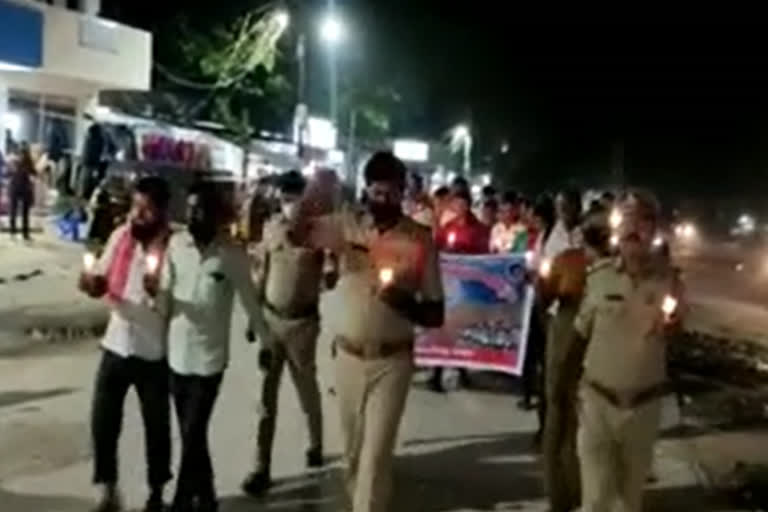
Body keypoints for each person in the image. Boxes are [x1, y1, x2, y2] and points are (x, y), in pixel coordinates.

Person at [301, 151, 445, 512]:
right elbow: (297, 233)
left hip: (392, 363)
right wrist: (312, 192)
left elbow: (436, 313)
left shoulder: (419, 240)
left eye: (391, 194)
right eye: (376, 193)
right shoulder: (346, 226)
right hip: (347, 358)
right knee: (352, 455)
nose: (383, 201)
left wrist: (403, 302)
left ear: (403, 193)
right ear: (366, 191)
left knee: (375, 458)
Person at [148, 183, 263, 512]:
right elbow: (165, 299)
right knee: (191, 436)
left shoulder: (231, 254)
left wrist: (265, 340)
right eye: (191, 208)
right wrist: (155, 293)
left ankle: (183, 501)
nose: (193, 215)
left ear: (215, 216)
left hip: (210, 360)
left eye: (201, 210)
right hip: (177, 355)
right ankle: (208, 496)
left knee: (193, 430)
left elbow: (250, 301)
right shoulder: (175, 245)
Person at [570, 190, 684, 512]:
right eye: (627, 220)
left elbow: (677, 333)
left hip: (643, 408)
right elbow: (579, 335)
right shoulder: (598, 279)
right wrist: (564, 391)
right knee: (595, 500)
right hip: (596, 404)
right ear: (616, 230)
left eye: (643, 221)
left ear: (654, 230)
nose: (634, 229)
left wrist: (672, 327)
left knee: (629, 501)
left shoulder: (669, 282)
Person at [77, 176, 173, 512]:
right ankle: (108, 490)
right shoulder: (120, 237)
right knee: (103, 422)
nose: (138, 215)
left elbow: (174, 309)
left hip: (152, 351)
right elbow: (101, 277)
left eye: (146, 210)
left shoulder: (173, 249)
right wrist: (91, 282)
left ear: (161, 212)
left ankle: (157, 492)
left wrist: (156, 293)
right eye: (135, 206)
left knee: (156, 428)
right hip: (116, 343)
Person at [241, 171, 325, 496]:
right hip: (272, 322)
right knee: (265, 399)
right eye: (286, 199)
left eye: (295, 198)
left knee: (307, 391)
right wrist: (253, 320)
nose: (289, 205)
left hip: (303, 326)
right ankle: (260, 466)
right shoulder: (271, 228)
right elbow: (262, 274)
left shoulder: (318, 233)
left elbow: (330, 275)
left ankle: (315, 444)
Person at [538, 209, 610, 512]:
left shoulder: (573, 263)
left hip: (577, 349)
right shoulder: (610, 269)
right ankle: (575, 497)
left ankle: (567, 498)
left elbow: (544, 299)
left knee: (565, 426)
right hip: (581, 349)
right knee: (573, 425)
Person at [436, 189, 490, 254]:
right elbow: (438, 243)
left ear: (468, 207)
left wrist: (464, 249)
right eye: (456, 203)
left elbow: (483, 250)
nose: (459, 207)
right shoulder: (448, 226)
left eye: (462, 204)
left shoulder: (479, 228)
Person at [8, 142, 36, 241]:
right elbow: (34, 173)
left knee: (19, 212)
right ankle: (18, 233)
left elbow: (34, 173)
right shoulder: (15, 161)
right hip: (18, 188)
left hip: (21, 189)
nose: (21, 155)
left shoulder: (25, 162)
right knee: (16, 211)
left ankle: (21, 234)